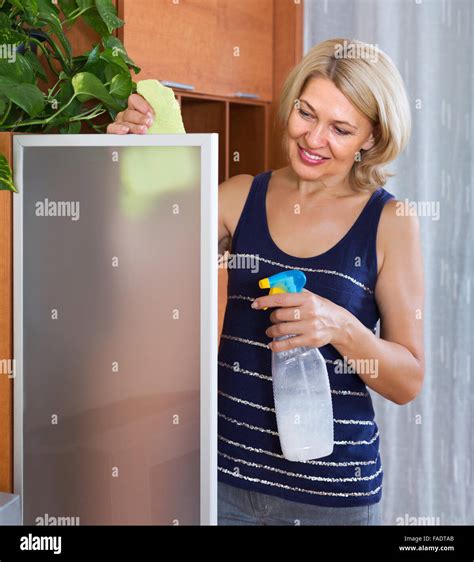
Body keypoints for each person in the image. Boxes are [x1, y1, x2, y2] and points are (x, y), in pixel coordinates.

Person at [107, 38, 425, 526]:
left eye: (341, 129)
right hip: (223, 483)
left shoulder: (390, 221)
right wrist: (124, 155)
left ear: (370, 138)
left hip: (332, 499)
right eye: (306, 113)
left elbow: (408, 380)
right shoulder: (240, 198)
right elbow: (139, 256)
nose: (313, 139)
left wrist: (339, 325)